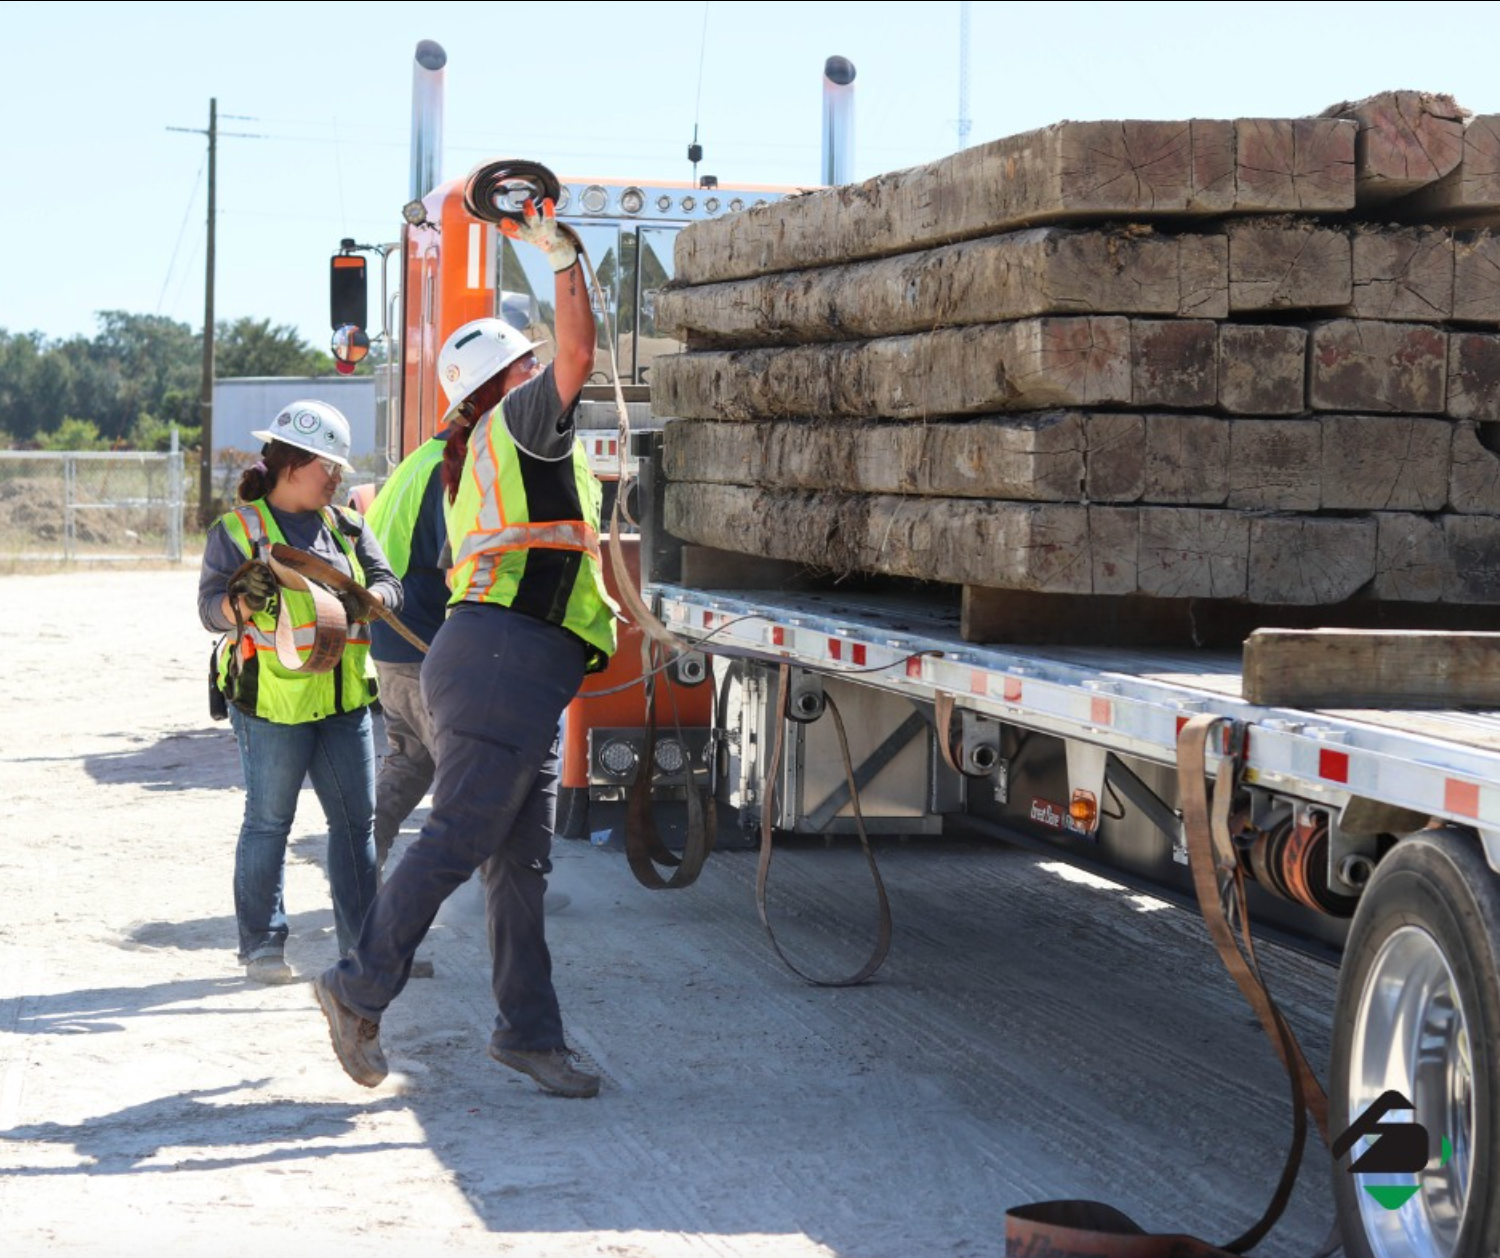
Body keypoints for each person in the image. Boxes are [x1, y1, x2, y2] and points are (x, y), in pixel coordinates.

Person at [313, 198, 617, 1098]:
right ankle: (359, 987)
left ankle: (528, 1033)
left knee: (517, 867)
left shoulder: (471, 449)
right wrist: (562, 258)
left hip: (507, 665)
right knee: (455, 837)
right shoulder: (522, 421)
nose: (542, 374)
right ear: (510, 377)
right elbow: (578, 354)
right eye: (527, 365)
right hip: (502, 664)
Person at [199, 401, 403, 984]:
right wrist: (239, 604)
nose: (338, 477)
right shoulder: (237, 532)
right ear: (293, 462)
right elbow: (209, 611)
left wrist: (380, 600)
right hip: (270, 706)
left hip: (343, 706)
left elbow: (390, 583)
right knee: (268, 822)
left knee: (355, 826)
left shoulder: (348, 527)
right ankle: (263, 949)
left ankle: (366, 952)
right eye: (328, 466)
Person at [362, 422, 453, 979]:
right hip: (423, 645)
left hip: (395, 642)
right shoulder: (455, 467)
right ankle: (506, 890)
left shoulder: (422, 458)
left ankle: (360, 890)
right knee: (468, 782)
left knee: (408, 766)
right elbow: (461, 562)